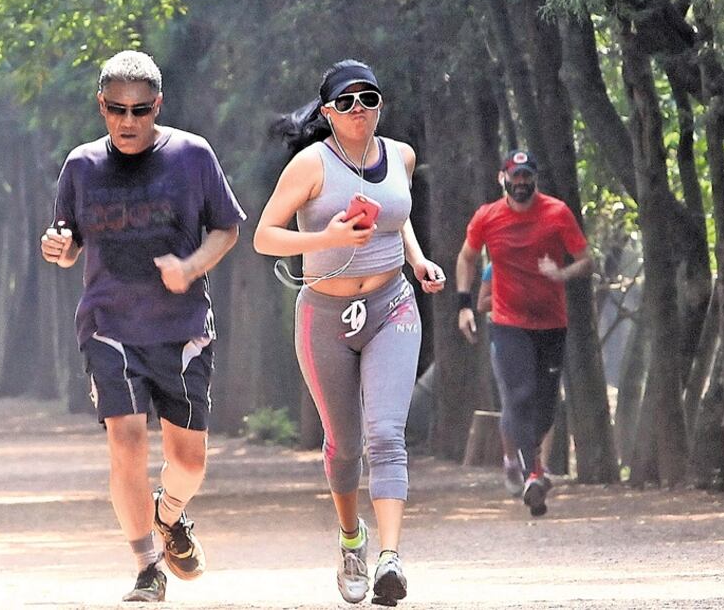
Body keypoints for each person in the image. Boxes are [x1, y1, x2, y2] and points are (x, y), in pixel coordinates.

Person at [40, 50, 245, 603]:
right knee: (126, 443)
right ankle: (146, 567)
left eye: (140, 111)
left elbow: (226, 229)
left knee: (189, 460)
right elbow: (66, 242)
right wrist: (55, 247)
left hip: (181, 330)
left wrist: (191, 267)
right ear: (100, 106)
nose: (128, 123)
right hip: (109, 325)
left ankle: (169, 515)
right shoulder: (81, 165)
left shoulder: (192, 155)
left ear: (159, 106)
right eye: (116, 110)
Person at [255, 60, 445, 606]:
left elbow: (399, 210)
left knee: (386, 433)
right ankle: (351, 541)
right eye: (345, 102)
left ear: (381, 104)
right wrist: (326, 237)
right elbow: (265, 237)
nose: (357, 109)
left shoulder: (401, 155)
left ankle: (391, 558)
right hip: (325, 314)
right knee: (343, 446)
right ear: (326, 113)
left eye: (367, 98)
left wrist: (418, 260)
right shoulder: (309, 165)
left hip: (392, 305)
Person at [455, 149, 592, 517]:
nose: (521, 184)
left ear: (535, 179)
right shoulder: (488, 217)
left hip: (551, 324)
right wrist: (464, 305)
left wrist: (561, 274)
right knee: (519, 396)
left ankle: (529, 467)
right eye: (515, 178)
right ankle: (533, 473)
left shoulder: (557, 213)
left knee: (545, 406)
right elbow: (467, 257)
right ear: (503, 179)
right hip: (508, 323)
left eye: (526, 178)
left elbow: (585, 259)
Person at [479, 263, 554, 497]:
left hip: (542, 339)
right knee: (513, 404)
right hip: (506, 342)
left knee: (546, 402)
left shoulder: (544, 263)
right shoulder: (495, 268)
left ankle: (538, 468)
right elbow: (481, 304)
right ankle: (511, 462)